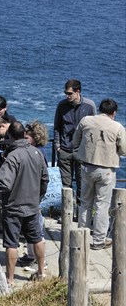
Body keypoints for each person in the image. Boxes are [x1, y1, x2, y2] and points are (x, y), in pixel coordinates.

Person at [0, 122, 49, 287]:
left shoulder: (12, 156)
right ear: (24, 134)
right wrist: (37, 196)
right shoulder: (37, 153)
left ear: (10, 136)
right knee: (37, 238)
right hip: (32, 205)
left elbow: (4, 185)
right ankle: (41, 272)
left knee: (11, 243)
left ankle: (10, 279)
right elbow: (45, 179)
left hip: (13, 206)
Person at [73, 98, 126, 250]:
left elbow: (75, 141)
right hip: (106, 170)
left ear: (101, 109)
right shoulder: (117, 127)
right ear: (113, 113)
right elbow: (123, 150)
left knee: (85, 203)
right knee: (102, 205)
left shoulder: (86, 121)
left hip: (86, 167)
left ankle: (81, 237)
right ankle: (98, 241)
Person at [53, 79, 96, 202]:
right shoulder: (62, 105)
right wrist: (58, 146)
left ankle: (80, 213)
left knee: (82, 184)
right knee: (66, 185)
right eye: (66, 93)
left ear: (78, 92)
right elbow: (57, 126)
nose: (67, 96)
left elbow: (94, 129)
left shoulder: (89, 106)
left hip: (82, 152)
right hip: (65, 151)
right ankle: (67, 213)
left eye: (69, 93)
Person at [19, 121, 50, 271]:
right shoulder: (38, 151)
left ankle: (41, 263)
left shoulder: (38, 153)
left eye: (28, 136)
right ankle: (31, 255)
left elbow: (43, 176)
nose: (25, 138)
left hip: (34, 193)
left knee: (37, 228)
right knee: (31, 226)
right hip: (34, 193)